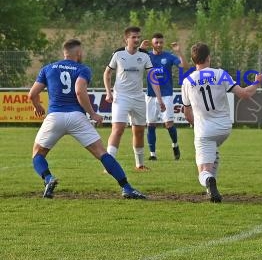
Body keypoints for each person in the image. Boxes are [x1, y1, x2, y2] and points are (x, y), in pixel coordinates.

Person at [29, 38, 146, 199]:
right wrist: (92, 114)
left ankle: (48, 178)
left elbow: (32, 94)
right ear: (78, 53)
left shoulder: (48, 68)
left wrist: (37, 107)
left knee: (38, 155)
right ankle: (127, 187)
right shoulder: (82, 69)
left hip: (54, 116)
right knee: (102, 154)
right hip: (77, 117)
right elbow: (79, 91)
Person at [181, 42, 262, 203]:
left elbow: (187, 112)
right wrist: (257, 82)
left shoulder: (187, 81)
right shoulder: (220, 74)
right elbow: (245, 94)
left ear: (193, 60)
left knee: (203, 171)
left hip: (204, 131)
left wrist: (194, 124)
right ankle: (212, 191)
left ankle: (208, 181)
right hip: (224, 128)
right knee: (214, 154)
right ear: (208, 58)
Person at [104, 26, 166, 170]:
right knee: (118, 129)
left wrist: (160, 99)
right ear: (126, 39)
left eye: (138, 37)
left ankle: (140, 164)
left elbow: (152, 77)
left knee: (139, 131)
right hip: (121, 97)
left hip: (138, 98)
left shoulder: (144, 55)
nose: (137, 39)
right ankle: (109, 166)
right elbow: (107, 73)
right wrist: (109, 92)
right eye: (133, 37)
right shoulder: (118, 54)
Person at [140, 33, 189, 160]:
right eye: (156, 42)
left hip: (166, 94)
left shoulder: (169, 56)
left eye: (161, 42)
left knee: (168, 124)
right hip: (150, 95)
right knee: (150, 125)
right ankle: (152, 155)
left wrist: (179, 52)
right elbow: (135, 62)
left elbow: (184, 66)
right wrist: (140, 48)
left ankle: (175, 145)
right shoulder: (147, 56)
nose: (159, 45)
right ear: (152, 44)